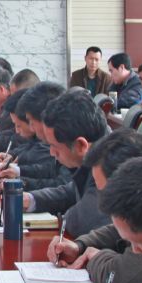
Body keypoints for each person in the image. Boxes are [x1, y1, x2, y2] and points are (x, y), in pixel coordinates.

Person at [47, 128, 142, 283]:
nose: (103, 204)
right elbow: (117, 230)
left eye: (105, 193)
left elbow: (116, 279)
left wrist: (94, 257)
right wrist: (80, 246)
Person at [23, 89, 109, 237]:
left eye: (54, 146)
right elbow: (72, 191)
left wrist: (62, 218)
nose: (51, 152)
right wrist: (31, 199)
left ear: (80, 145)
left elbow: (80, 221)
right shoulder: (97, 149)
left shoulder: (110, 165)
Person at [0, 82, 69, 190]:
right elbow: (52, 169)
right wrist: (19, 172)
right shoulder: (58, 138)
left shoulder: (68, 140)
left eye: (31, 122)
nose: (31, 128)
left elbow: (63, 187)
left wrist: (22, 183)